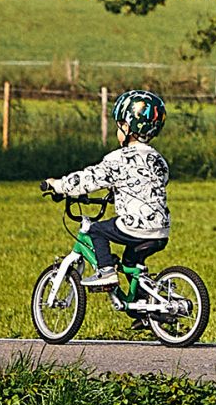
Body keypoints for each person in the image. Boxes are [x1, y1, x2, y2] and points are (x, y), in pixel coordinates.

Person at [43, 89, 171, 302]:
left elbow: (88, 179)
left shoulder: (118, 159)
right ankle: (143, 307)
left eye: (119, 125)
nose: (117, 130)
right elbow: (153, 182)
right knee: (131, 263)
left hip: (135, 226)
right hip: (161, 229)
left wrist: (58, 185)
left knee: (96, 231)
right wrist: (117, 192)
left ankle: (106, 272)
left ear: (128, 127)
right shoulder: (158, 159)